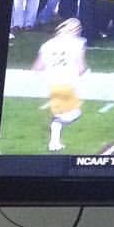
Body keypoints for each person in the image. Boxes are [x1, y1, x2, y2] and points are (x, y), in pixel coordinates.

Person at [33, 18, 88, 151]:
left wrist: (48, 77)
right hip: (67, 82)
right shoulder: (77, 43)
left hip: (53, 82)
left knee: (66, 112)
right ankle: (54, 139)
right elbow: (81, 67)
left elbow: (37, 67)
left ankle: (55, 140)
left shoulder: (47, 45)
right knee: (73, 113)